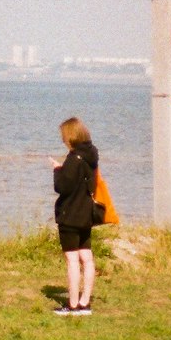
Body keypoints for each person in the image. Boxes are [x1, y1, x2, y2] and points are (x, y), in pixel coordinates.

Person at [48, 116, 99, 315]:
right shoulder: (91, 155)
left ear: (70, 136)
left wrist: (57, 170)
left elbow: (62, 186)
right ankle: (85, 302)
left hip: (70, 215)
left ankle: (73, 304)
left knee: (72, 259)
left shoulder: (74, 158)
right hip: (87, 214)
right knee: (87, 257)